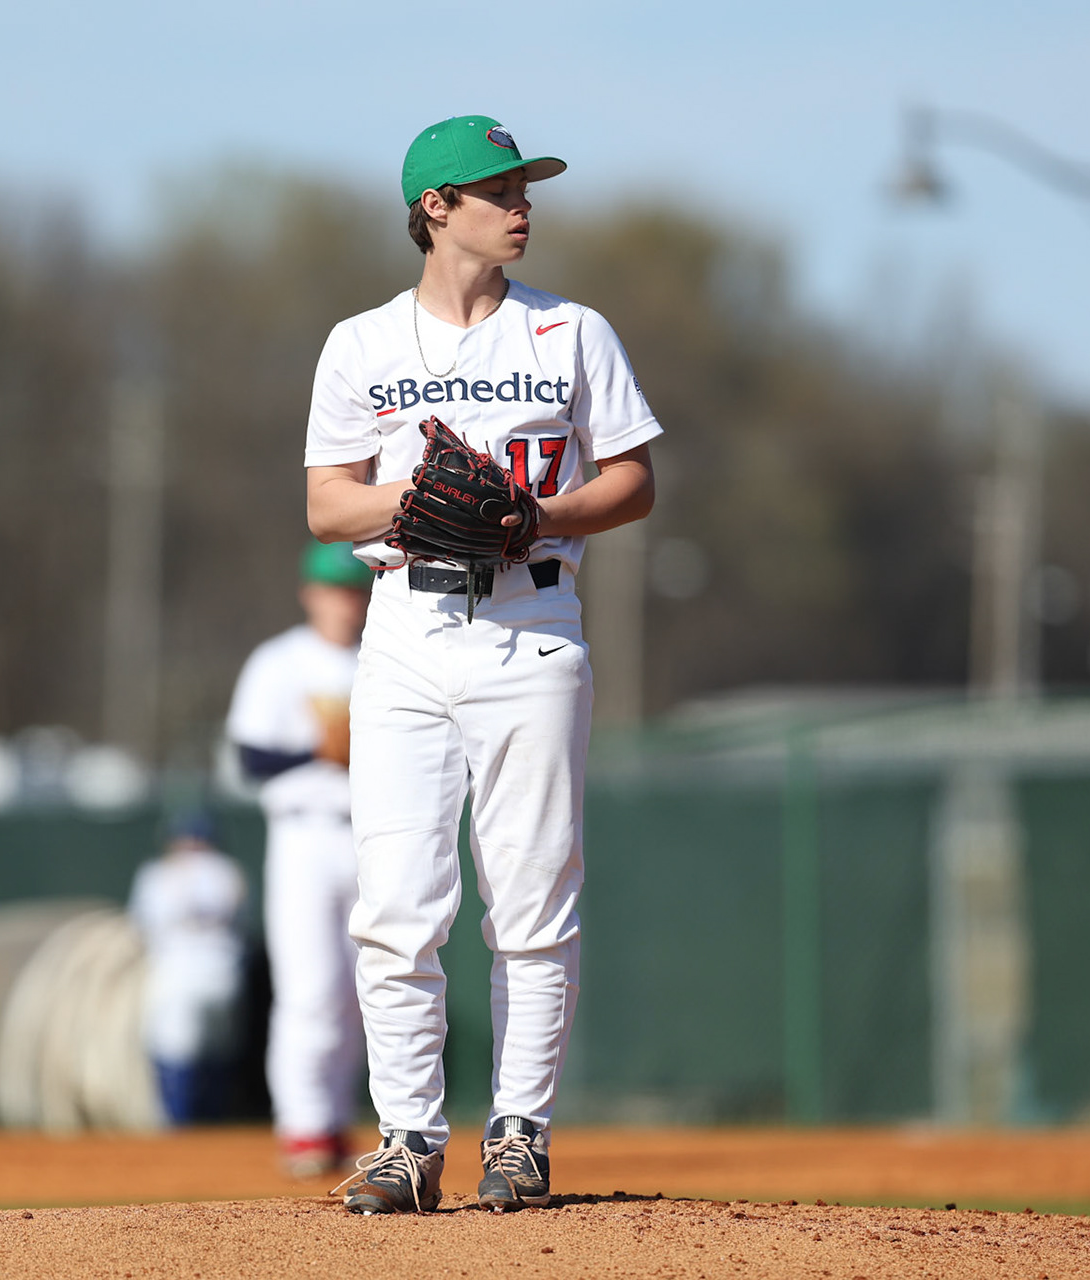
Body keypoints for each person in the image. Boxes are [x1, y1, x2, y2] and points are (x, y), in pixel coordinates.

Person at [304, 116, 660, 1213]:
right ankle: (410, 1138)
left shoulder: (571, 333)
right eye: (499, 187)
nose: (524, 203)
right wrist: (420, 508)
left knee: (532, 901)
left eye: (526, 186)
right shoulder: (360, 343)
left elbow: (635, 479)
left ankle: (520, 1135)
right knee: (397, 904)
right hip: (406, 633)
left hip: (533, 628)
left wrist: (537, 515)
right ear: (434, 208)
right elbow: (327, 499)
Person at [226, 541, 374, 1177]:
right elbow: (250, 759)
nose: (346, 601)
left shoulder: (384, 657)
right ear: (310, 593)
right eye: (335, 589)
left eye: (355, 589)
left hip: (372, 833)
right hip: (304, 835)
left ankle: (336, 1121)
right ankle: (304, 1126)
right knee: (310, 986)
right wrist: (318, 751)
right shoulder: (280, 662)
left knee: (366, 991)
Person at [127, 811, 247, 1125]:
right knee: (210, 1050)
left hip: (182, 971)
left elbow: (142, 926)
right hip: (217, 971)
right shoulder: (227, 871)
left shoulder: (165, 873)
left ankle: (181, 1126)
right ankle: (201, 1124)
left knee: (177, 1047)